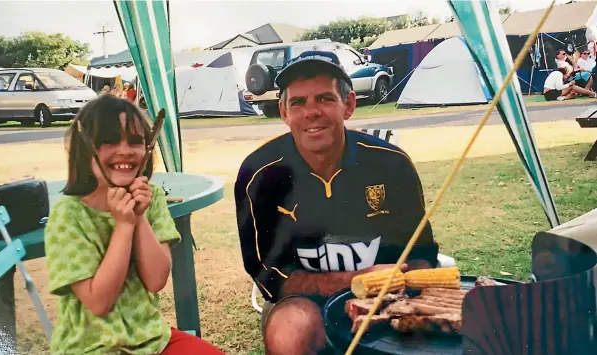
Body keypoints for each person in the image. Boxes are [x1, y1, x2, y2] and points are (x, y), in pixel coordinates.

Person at [234, 51, 439, 355]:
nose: (311, 112)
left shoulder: (391, 164)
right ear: (283, 111)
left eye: (325, 99)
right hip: (304, 303)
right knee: (290, 329)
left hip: (389, 298)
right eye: (298, 102)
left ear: (349, 105)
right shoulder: (260, 175)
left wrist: (409, 301)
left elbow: (420, 252)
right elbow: (270, 275)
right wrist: (354, 281)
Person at [44, 95, 225, 355]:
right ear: (84, 149)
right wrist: (123, 226)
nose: (125, 150)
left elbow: (156, 281)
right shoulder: (68, 214)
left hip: (152, 339)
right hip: (91, 347)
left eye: (135, 141)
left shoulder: (152, 197)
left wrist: (139, 217)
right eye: (109, 141)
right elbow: (98, 302)